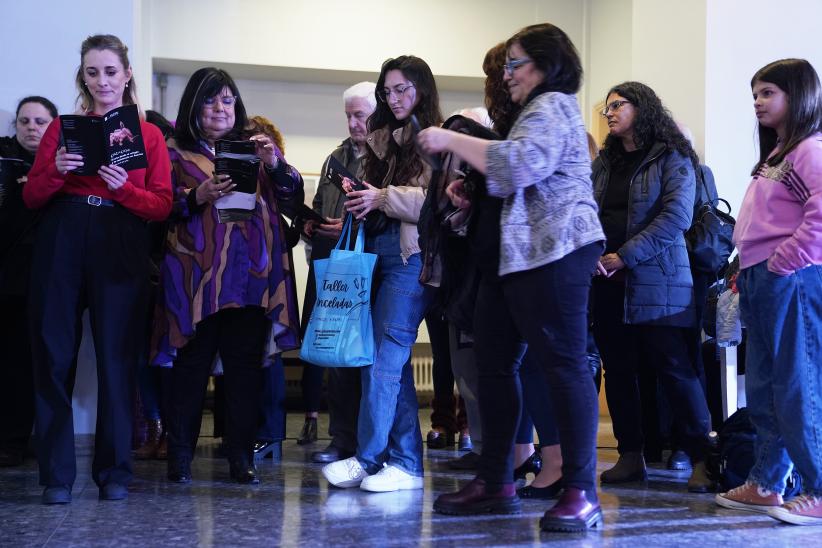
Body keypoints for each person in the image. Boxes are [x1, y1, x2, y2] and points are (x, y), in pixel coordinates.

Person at [418, 23, 605, 532]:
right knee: (494, 365)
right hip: (517, 258)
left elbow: (519, 165)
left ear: (545, 66)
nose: (506, 75)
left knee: (564, 366)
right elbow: (515, 180)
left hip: (557, 251)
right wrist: (473, 194)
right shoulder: (531, 114)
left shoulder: (555, 106)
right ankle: (496, 480)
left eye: (514, 64)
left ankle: (582, 492)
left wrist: (449, 137)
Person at [23, 34, 172, 504]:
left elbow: (162, 205)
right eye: (92, 72)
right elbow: (32, 197)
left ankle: (114, 473)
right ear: (83, 77)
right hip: (63, 234)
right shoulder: (60, 129)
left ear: (126, 75)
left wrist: (124, 189)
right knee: (53, 355)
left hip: (119, 235)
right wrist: (57, 170)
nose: (102, 81)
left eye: (110, 71)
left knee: (117, 359)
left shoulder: (148, 135)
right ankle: (56, 478)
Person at [153, 67, 302, 486]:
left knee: (244, 371)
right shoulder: (174, 151)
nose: (220, 108)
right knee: (190, 369)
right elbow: (160, 207)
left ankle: (240, 457)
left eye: (228, 99)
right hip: (195, 280)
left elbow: (291, 196)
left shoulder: (254, 148)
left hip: (249, 275)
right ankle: (180, 457)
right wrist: (196, 196)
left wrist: (275, 163)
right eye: (210, 99)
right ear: (193, 105)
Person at [321, 56, 442, 493]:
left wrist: (383, 197)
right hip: (376, 254)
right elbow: (376, 200)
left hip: (412, 258)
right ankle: (405, 464)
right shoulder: (381, 140)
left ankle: (369, 457)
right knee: (394, 364)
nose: (393, 98)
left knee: (382, 358)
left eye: (402, 89)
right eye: (387, 91)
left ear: (421, 89)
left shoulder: (436, 138)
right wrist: (361, 200)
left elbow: (438, 203)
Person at [590, 81, 712, 492]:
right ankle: (630, 455)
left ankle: (702, 457)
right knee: (618, 370)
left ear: (642, 108)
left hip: (659, 281)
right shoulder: (605, 162)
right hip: (607, 280)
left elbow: (676, 217)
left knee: (673, 369)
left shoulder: (672, 155)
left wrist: (624, 256)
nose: (609, 113)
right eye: (607, 107)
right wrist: (594, 253)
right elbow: (587, 210)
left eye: (618, 105)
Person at [716, 58, 822, 526]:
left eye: (768, 93)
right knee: (763, 386)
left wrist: (784, 260)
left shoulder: (810, 150)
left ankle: (819, 486)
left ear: (797, 96)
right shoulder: (779, 153)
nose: (758, 102)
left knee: (798, 383)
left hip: (789, 279)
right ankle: (766, 483)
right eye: (755, 94)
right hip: (762, 277)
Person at [306, 81, 376, 464]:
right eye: (348, 116)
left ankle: (369, 445)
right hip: (338, 268)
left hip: (371, 268)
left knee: (369, 361)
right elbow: (320, 204)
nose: (352, 123)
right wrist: (313, 224)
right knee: (337, 356)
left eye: (359, 115)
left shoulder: (385, 157)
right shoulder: (334, 158)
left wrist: (350, 227)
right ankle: (341, 439)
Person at [0, 96, 57, 467]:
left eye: (40, 122)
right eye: (25, 121)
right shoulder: (4, 162)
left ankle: (30, 438)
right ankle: (11, 440)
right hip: (10, 280)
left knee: (44, 362)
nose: (31, 128)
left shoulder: (64, 164)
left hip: (49, 279)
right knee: (12, 362)